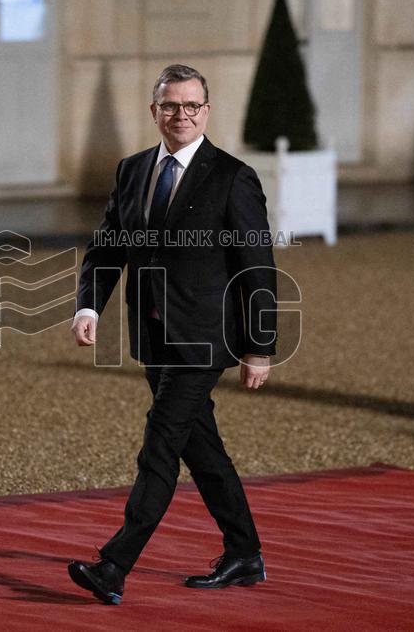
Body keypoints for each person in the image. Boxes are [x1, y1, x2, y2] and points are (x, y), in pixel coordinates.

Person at [68, 64, 277, 605]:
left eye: (191, 106)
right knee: (200, 449)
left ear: (206, 111)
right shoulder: (132, 170)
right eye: (170, 106)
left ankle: (114, 566)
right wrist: (90, 305)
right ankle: (245, 554)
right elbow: (108, 247)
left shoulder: (233, 177)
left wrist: (260, 346)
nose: (180, 115)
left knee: (159, 444)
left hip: (205, 339)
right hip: (154, 337)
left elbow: (257, 266)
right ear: (154, 110)